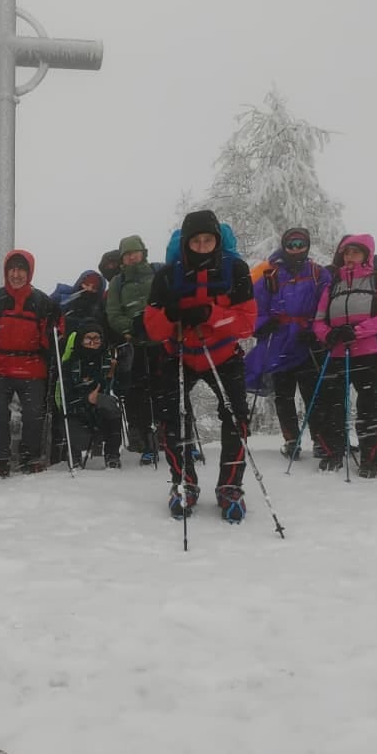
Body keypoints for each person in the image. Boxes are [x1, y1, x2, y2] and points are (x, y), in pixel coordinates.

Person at [143, 209, 256, 522]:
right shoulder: (167, 275)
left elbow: (247, 324)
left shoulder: (236, 270)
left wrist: (210, 315)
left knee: (235, 418)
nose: (202, 246)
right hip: (178, 353)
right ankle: (184, 483)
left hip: (222, 355)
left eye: (208, 240)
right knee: (171, 418)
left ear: (217, 242)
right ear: (186, 243)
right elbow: (152, 327)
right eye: (196, 241)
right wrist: (173, 317)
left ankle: (230, 487)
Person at [310, 234, 377, 476]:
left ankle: (370, 457)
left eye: (355, 252)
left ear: (367, 255)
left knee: (369, 405)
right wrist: (327, 335)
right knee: (330, 403)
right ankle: (333, 452)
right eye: (346, 253)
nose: (349, 257)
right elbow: (319, 320)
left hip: (372, 352)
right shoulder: (332, 285)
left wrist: (358, 331)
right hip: (338, 352)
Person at [0, 249, 60, 477]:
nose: (16, 275)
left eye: (21, 270)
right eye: (12, 270)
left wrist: (52, 329)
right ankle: (0, 460)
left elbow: (55, 336)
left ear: (29, 273)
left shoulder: (42, 302)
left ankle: (31, 456)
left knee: (34, 414)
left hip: (32, 366)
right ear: (6, 272)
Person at [243, 227, 331, 460]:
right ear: (284, 246)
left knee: (313, 393)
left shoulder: (318, 273)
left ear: (308, 246)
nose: (295, 249)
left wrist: (315, 330)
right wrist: (262, 324)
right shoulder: (270, 274)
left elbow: (327, 305)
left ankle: (320, 440)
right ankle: (291, 439)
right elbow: (254, 307)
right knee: (283, 395)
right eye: (291, 244)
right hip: (279, 342)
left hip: (307, 342)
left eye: (300, 244)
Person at [105, 234, 158, 464]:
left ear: (143, 252)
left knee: (166, 390)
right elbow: (113, 313)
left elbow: (167, 301)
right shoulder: (118, 282)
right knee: (138, 392)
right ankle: (147, 441)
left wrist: (157, 325)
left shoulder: (157, 272)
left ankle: (173, 438)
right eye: (127, 254)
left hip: (160, 342)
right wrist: (131, 329)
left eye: (135, 252)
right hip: (134, 344)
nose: (131, 257)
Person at [57, 317, 123, 468]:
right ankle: (74, 454)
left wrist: (120, 371)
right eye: (88, 338)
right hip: (78, 410)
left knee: (111, 406)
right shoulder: (70, 364)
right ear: (81, 340)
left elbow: (121, 391)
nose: (92, 342)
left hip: (101, 411)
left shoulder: (108, 361)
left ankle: (112, 454)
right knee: (68, 415)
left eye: (96, 338)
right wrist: (87, 399)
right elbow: (66, 396)